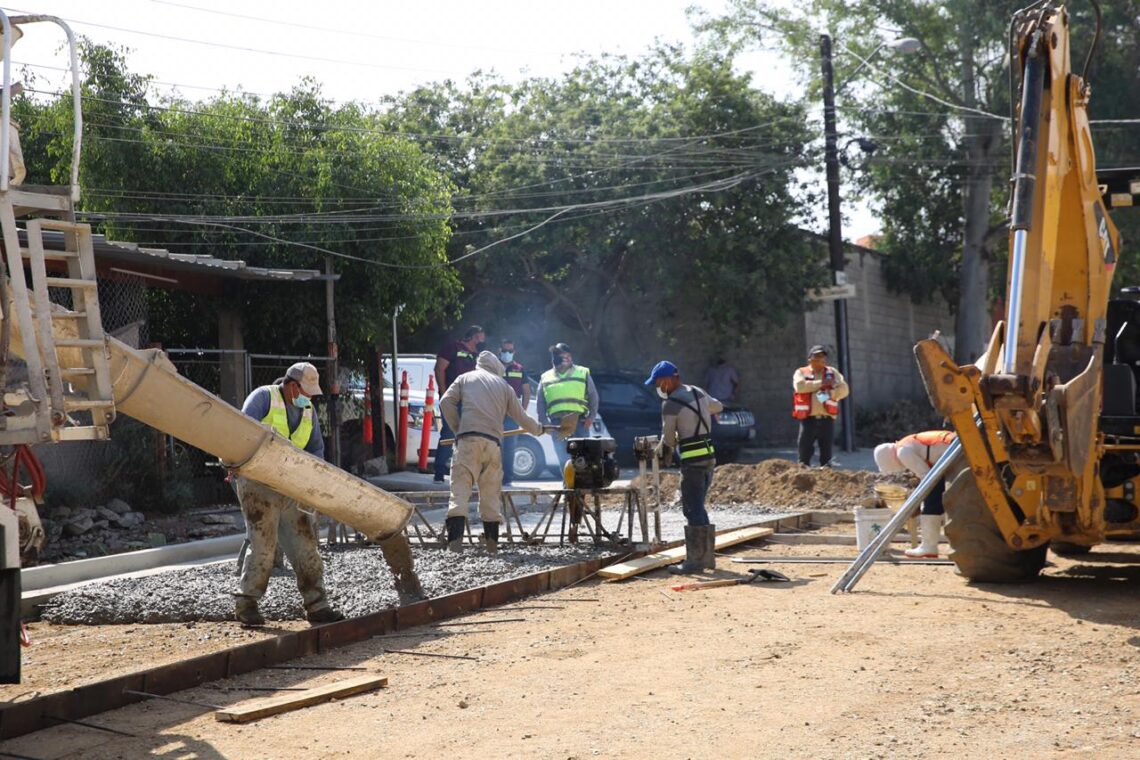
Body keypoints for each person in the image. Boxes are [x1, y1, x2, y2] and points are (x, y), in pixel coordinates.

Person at [233, 362, 344, 627]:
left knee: (305, 545)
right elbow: (242, 433)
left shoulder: (307, 409)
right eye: (305, 391)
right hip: (258, 483)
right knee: (263, 545)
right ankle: (246, 604)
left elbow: (316, 448)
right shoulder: (263, 398)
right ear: (292, 385)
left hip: (291, 485)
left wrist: (311, 479)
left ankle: (317, 605)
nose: (308, 397)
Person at [439, 351, 545, 553]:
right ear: (497, 367)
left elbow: (445, 402)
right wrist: (538, 430)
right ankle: (491, 547)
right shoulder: (504, 386)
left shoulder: (465, 378)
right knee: (490, 495)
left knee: (459, 492)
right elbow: (522, 418)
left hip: (468, 441)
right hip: (493, 444)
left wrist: (457, 428)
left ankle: (455, 547)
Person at [646, 360, 723, 575]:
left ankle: (695, 562)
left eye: (659, 382)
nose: (658, 387)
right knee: (699, 507)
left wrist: (669, 443)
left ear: (669, 379)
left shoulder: (670, 404)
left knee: (691, 508)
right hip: (709, 457)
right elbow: (718, 406)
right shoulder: (697, 392)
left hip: (692, 461)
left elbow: (669, 439)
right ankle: (706, 558)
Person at [874, 430, 958, 558]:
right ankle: (946, 544)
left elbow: (927, 477)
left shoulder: (902, 452)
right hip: (953, 448)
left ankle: (929, 546)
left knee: (930, 503)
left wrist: (918, 501)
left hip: (953, 451)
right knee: (940, 499)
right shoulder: (906, 444)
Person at [433, 325, 485, 482]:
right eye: (481, 338)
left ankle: (464, 473)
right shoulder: (453, 347)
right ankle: (439, 473)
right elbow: (439, 369)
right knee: (449, 433)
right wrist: (443, 392)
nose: (483, 341)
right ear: (473, 336)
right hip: (453, 400)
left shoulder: (477, 356)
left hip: (471, 401)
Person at [536, 342, 599, 466]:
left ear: (569, 356)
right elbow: (540, 402)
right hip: (556, 424)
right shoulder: (545, 377)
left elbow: (593, 396)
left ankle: (583, 483)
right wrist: (544, 421)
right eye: (557, 356)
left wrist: (591, 417)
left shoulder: (582, 372)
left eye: (563, 355)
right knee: (564, 459)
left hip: (579, 422)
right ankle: (568, 483)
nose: (560, 359)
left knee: (583, 457)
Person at [792, 345, 849, 467]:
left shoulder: (832, 373)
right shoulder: (801, 372)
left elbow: (844, 389)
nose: (820, 359)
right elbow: (800, 386)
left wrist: (831, 393)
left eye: (822, 357)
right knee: (804, 455)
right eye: (816, 356)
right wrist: (821, 383)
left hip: (826, 420)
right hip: (808, 420)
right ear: (809, 359)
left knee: (826, 458)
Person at [498, 338, 530, 486]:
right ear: (500, 351)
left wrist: (522, 411)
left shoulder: (519, 369)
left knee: (509, 448)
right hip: (495, 413)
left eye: (510, 351)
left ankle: (508, 479)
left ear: (514, 352)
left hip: (512, 415)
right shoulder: (493, 367)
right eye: (504, 351)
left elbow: (526, 391)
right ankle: (491, 478)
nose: (507, 354)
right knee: (492, 446)